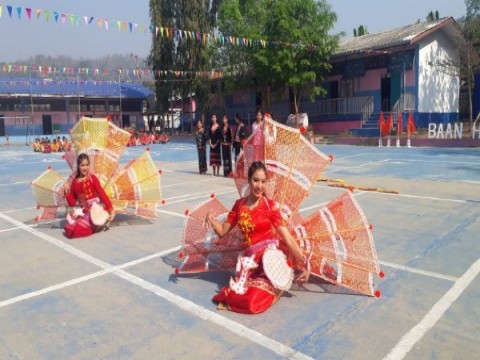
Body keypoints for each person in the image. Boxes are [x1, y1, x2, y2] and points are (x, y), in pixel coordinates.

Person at [205, 161, 310, 314]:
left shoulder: (270, 206)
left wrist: (305, 262)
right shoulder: (239, 206)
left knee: (252, 303)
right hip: (250, 265)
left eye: (263, 181)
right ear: (249, 180)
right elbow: (222, 232)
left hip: (270, 264)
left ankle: (274, 288)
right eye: (255, 180)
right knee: (241, 298)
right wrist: (210, 216)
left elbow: (287, 237)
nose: (259, 186)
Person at [62, 153, 115, 239]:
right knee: (69, 228)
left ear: (89, 165)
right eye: (82, 165)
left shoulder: (92, 178)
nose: (85, 168)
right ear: (78, 166)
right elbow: (72, 203)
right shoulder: (75, 182)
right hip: (84, 211)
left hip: (95, 210)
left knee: (76, 230)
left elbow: (102, 193)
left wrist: (111, 210)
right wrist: (66, 191)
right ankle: (96, 224)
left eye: (87, 165)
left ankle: (97, 223)